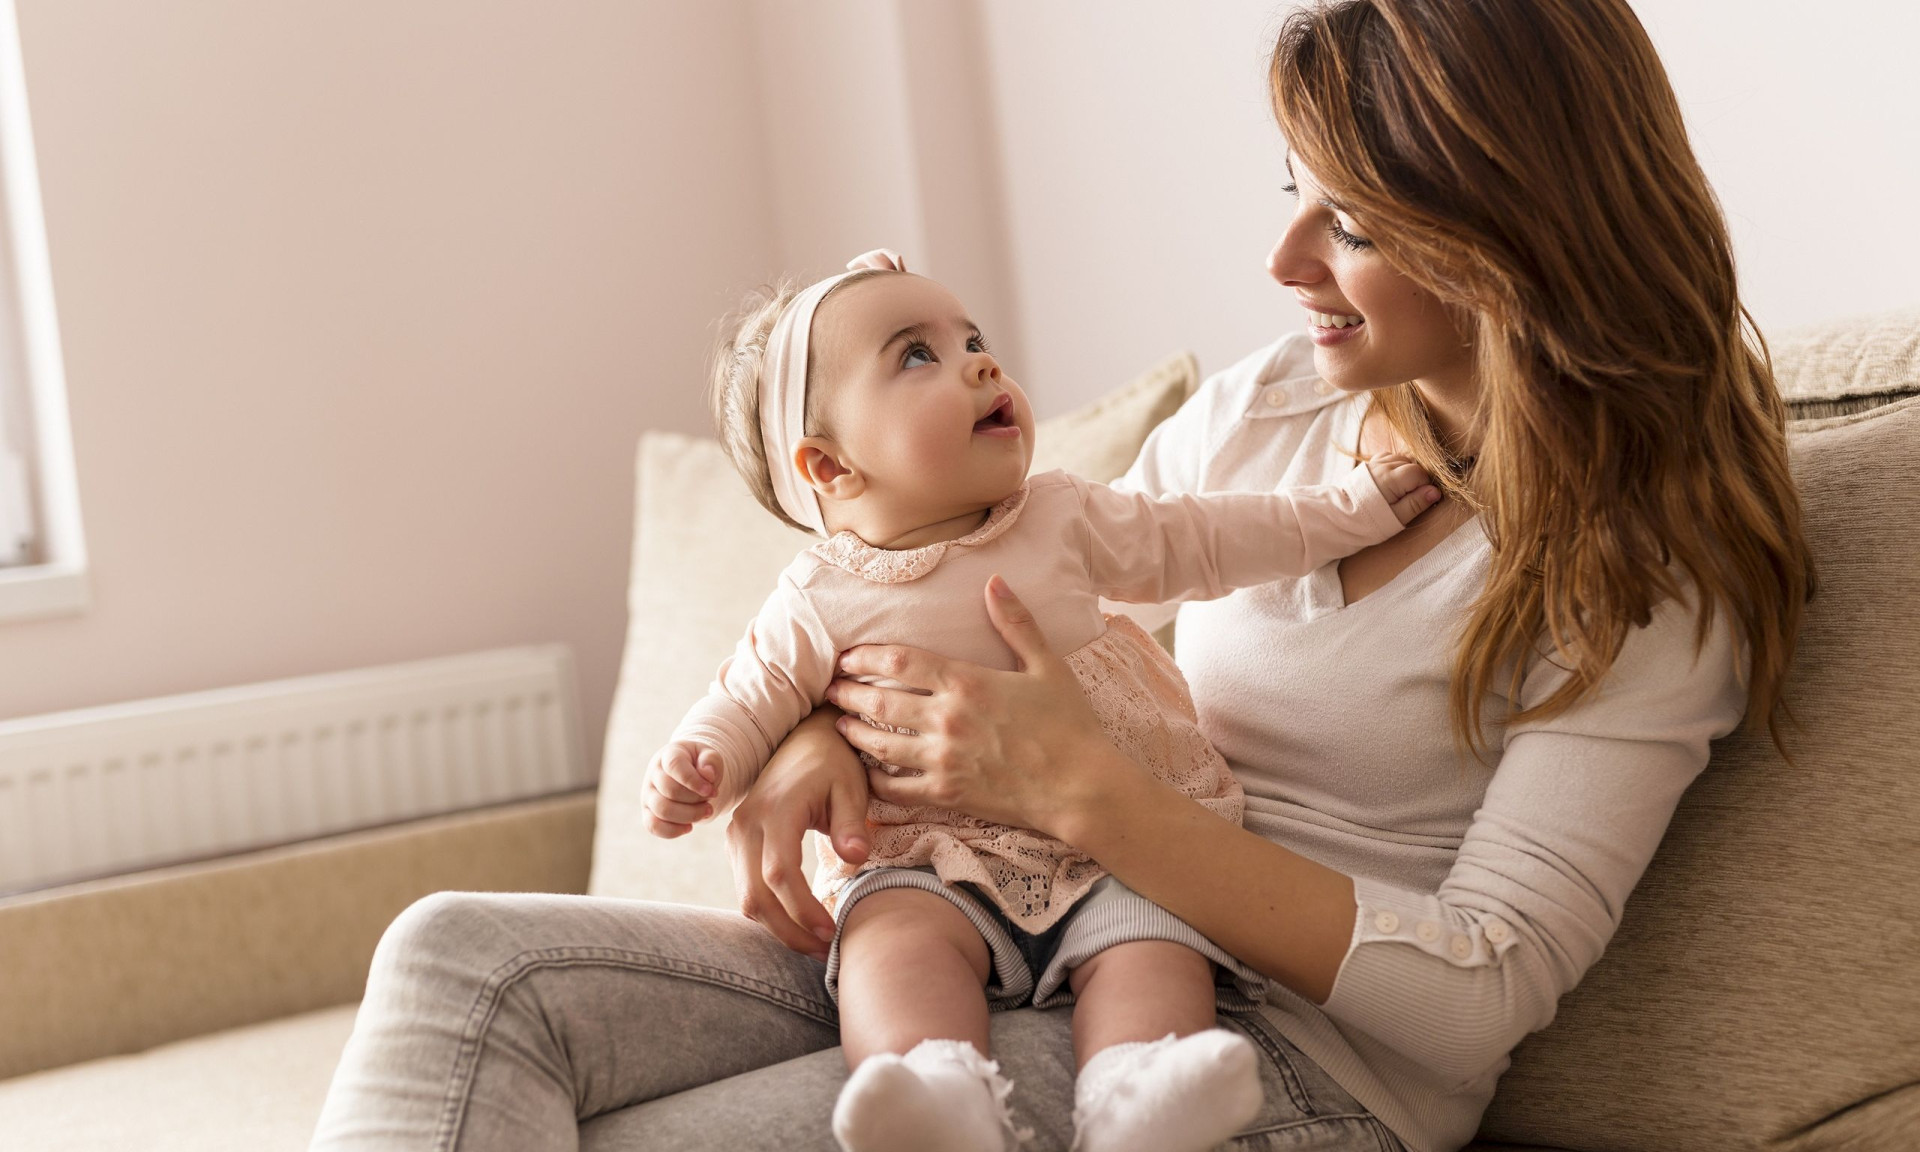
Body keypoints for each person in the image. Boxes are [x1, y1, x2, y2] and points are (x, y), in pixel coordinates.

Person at [308, 1, 1813, 1149]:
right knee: (462, 966)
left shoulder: (1644, 571)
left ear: (1512, 229)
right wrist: (825, 731)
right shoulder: (1275, 410)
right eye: (1292, 188)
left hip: (1259, 1055)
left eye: (1348, 221)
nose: (1285, 260)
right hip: (994, 909)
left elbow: (1486, 987)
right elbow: (990, 584)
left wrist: (1091, 795)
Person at [642, 247, 1437, 1152]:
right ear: (829, 468)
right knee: (889, 940)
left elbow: (1214, 538)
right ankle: (932, 1090)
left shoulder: (1062, 517)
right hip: (928, 855)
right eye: (916, 355)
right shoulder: (817, 597)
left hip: (1113, 843)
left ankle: (1141, 1088)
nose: (981, 362)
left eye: (972, 338)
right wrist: (702, 761)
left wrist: (1353, 511)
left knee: (1152, 938)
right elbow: (748, 697)